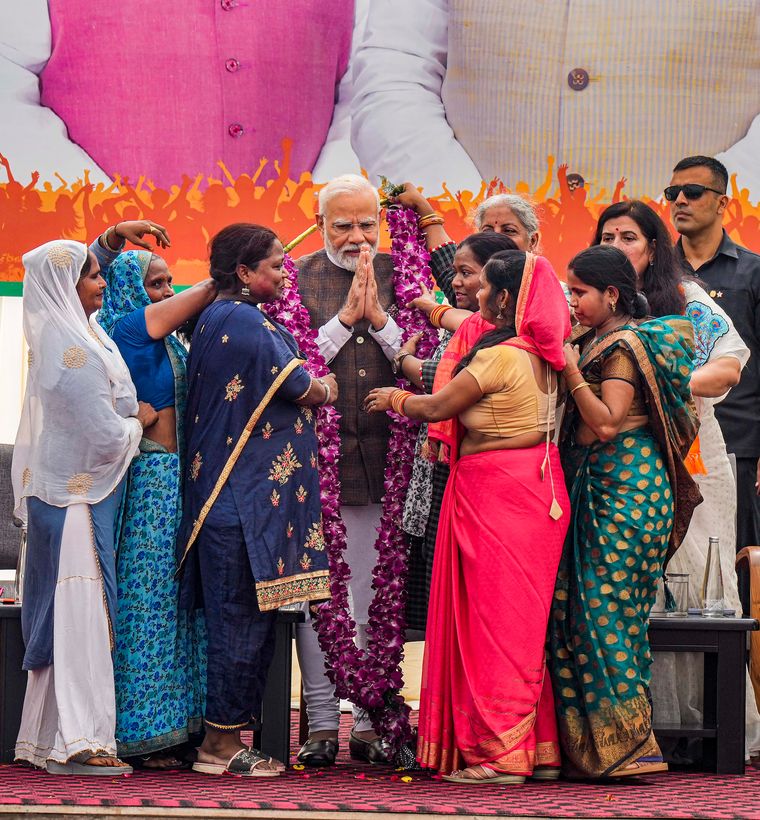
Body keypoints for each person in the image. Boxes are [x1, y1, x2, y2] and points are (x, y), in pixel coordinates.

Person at [365, 249, 571, 782]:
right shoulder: (547, 352)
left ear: (504, 298)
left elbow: (436, 407)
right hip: (537, 487)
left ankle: (497, 756)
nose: (475, 294)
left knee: (491, 627)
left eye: (484, 288)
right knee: (521, 628)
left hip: (498, 493)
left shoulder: (499, 356)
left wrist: (394, 397)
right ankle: (535, 749)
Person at [592, 200, 760, 758]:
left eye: (630, 238)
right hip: (616, 462)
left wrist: (660, 382)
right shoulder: (593, 306)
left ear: (654, 248)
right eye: (608, 237)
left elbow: (729, 364)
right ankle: (644, 725)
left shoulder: (685, 300)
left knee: (696, 574)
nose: (618, 247)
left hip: (691, 453)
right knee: (628, 583)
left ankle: (705, 726)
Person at [174, 223, 336, 777]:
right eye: (273, 264)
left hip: (236, 500)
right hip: (239, 504)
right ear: (243, 273)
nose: (283, 272)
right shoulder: (242, 321)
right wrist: (327, 388)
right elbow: (302, 386)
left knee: (243, 622)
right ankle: (219, 746)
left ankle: (226, 738)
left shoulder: (218, 317)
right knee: (239, 623)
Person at [550, 245, 701, 778]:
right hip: (602, 487)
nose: (573, 302)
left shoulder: (624, 345)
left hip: (627, 490)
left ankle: (629, 746)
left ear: (611, 294)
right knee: (580, 609)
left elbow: (609, 422)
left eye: (581, 292)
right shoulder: (597, 339)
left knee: (603, 611)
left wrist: (570, 372)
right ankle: (593, 749)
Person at [351, 1, 760, 195]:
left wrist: (691, 220)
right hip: (479, 287)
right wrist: (472, 220)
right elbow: (395, 69)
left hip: (711, 282)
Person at [11, 239, 157, 775]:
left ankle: (48, 737)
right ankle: (80, 742)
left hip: (73, 493)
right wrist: (138, 421)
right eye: (93, 275)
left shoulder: (79, 331)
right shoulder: (66, 345)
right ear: (66, 284)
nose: (101, 283)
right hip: (75, 499)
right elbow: (99, 434)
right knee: (81, 616)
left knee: (75, 614)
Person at [0, 1, 370, 186]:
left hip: (300, 264)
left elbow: (372, 85)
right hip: (99, 262)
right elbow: (7, 77)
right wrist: (103, 217)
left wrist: (328, 201)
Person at [97, 223, 217, 767]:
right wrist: (237, 266)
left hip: (181, 483)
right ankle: (144, 731)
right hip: (151, 484)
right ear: (130, 289)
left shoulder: (167, 336)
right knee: (148, 604)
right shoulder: (126, 326)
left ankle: (182, 724)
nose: (167, 293)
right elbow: (207, 291)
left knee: (180, 605)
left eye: (171, 284)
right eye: (156, 284)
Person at [294, 174, 404, 767]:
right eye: (344, 225)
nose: (358, 237)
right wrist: (343, 320)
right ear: (319, 226)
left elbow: (427, 362)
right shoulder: (293, 279)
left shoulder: (404, 279)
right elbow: (290, 364)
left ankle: (366, 718)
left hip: (387, 456)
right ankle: (317, 722)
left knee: (370, 592)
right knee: (321, 595)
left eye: (368, 224)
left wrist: (381, 322)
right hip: (315, 464)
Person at [388, 183, 527, 632]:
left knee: (477, 605)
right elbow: (452, 268)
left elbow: (446, 392)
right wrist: (426, 212)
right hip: (452, 471)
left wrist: (403, 368)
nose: (463, 282)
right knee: (444, 602)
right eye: (488, 229)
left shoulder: (522, 319)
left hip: (488, 479)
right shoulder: (474, 301)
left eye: (509, 232)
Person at [667, 156, 760, 566]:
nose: (680, 201)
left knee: (731, 562)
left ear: (723, 203)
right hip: (667, 441)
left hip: (738, 444)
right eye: (673, 194)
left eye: (693, 192)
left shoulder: (753, 273)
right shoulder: (657, 276)